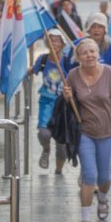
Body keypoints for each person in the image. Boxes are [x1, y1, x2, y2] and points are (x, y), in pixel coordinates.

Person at [63, 39, 111, 222]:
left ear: (98, 53)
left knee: (104, 176)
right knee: (89, 175)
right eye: (84, 53)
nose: (89, 55)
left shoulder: (109, 73)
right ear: (78, 57)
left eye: (92, 51)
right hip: (84, 132)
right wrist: (66, 96)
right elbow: (68, 103)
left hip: (106, 131)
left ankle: (103, 199)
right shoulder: (72, 75)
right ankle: (85, 219)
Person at [30, 29, 70, 173]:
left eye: (57, 40)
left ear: (63, 43)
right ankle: (46, 150)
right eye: (51, 40)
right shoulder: (43, 59)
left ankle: (58, 170)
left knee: (61, 146)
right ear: (47, 42)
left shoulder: (67, 60)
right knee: (44, 133)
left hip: (63, 105)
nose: (54, 43)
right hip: (46, 102)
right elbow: (32, 71)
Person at [69, 12, 111, 80]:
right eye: (93, 26)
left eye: (100, 27)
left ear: (105, 29)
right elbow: (69, 68)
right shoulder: (76, 45)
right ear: (89, 29)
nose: (96, 30)